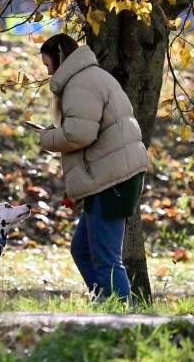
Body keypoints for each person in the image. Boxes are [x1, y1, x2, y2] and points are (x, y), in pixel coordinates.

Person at [31, 33, 149, 305]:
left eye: (49, 65)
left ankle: (120, 315)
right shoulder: (91, 77)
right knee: (82, 249)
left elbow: (79, 135)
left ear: (60, 57)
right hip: (111, 176)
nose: (48, 72)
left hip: (112, 181)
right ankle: (106, 303)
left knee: (106, 257)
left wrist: (46, 138)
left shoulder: (80, 83)